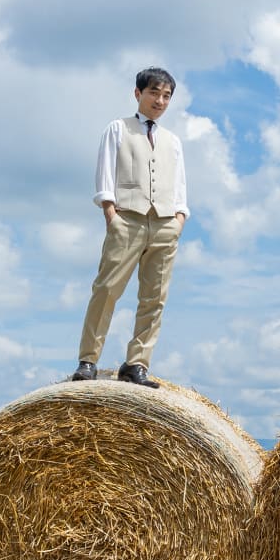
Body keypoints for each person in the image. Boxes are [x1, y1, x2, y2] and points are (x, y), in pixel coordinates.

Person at [70, 67, 189, 388]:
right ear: (138, 93)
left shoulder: (173, 141)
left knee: (154, 298)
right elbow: (105, 172)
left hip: (165, 222)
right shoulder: (118, 129)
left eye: (166, 96)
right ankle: (88, 360)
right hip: (127, 219)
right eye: (154, 93)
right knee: (106, 289)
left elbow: (179, 183)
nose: (160, 101)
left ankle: (137, 363)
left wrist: (179, 217)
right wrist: (110, 211)